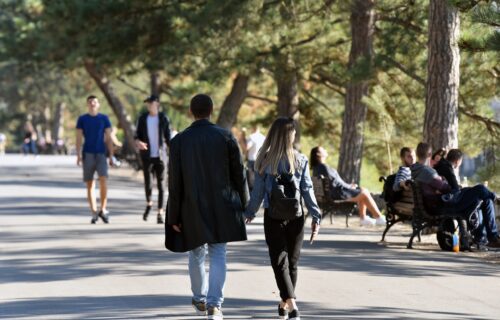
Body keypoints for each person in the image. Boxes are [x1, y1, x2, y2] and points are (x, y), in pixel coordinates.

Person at [165, 94, 248, 320]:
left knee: (196, 252)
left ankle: (199, 298)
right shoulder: (225, 137)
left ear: (191, 112)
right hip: (222, 204)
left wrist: (173, 216)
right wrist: (245, 204)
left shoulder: (179, 141)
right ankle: (214, 305)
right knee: (219, 252)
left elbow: (175, 182)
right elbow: (239, 174)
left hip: (191, 206)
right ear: (211, 111)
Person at [245, 118, 321, 320]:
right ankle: (293, 305)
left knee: (280, 262)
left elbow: (258, 193)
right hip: (296, 217)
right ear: (289, 135)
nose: (295, 134)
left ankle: (285, 303)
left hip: (273, 217)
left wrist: (250, 212)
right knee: (291, 264)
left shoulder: (264, 160)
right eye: (294, 132)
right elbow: (307, 189)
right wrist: (315, 215)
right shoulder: (301, 159)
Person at [411, 143, 499, 249]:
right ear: (429, 154)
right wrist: (442, 181)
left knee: (484, 199)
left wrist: (442, 182)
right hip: (443, 205)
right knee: (480, 189)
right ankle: (495, 200)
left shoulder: (414, 169)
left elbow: (442, 186)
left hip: (436, 203)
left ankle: (486, 238)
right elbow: (446, 188)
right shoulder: (427, 171)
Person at [310, 146, 386, 226]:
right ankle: (378, 217)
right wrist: (349, 186)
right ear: (318, 154)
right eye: (323, 149)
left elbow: (335, 183)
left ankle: (364, 218)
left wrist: (349, 186)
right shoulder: (323, 167)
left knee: (362, 189)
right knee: (364, 193)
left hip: (331, 194)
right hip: (337, 195)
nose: (325, 150)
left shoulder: (317, 168)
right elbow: (335, 183)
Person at [76, 95, 114, 224]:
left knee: (103, 180)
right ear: (87, 104)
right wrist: (78, 154)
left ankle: (103, 209)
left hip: (101, 153)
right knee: (90, 183)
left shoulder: (104, 118)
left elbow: (108, 137)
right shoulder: (82, 119)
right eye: (90, 102)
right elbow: (79, 137)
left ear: (98, 104)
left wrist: (111, 155)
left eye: (95, 101)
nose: (92, 103)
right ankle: (94, 212)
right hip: (88, 153)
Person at [134, 94, 171, 224]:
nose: (149, 105)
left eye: (151, 103)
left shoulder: (163, 118)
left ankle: (160, 212)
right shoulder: (143, 118)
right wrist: (139, 142)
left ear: (157, 104)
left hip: (161, 157)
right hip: (147, 156)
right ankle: (149, 203)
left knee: (161, 185)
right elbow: (136, 136)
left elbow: (168, 137)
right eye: (147, 103)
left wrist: (173, 153)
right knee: (148, 183)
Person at [245, 125, 266, 191]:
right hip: (261, 159)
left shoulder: (251, 137)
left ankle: (252, 192)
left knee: (251, 178)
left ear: (253, 128)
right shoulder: (263, 137)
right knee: (259, 178)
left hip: (252, 159)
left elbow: (247, 147)